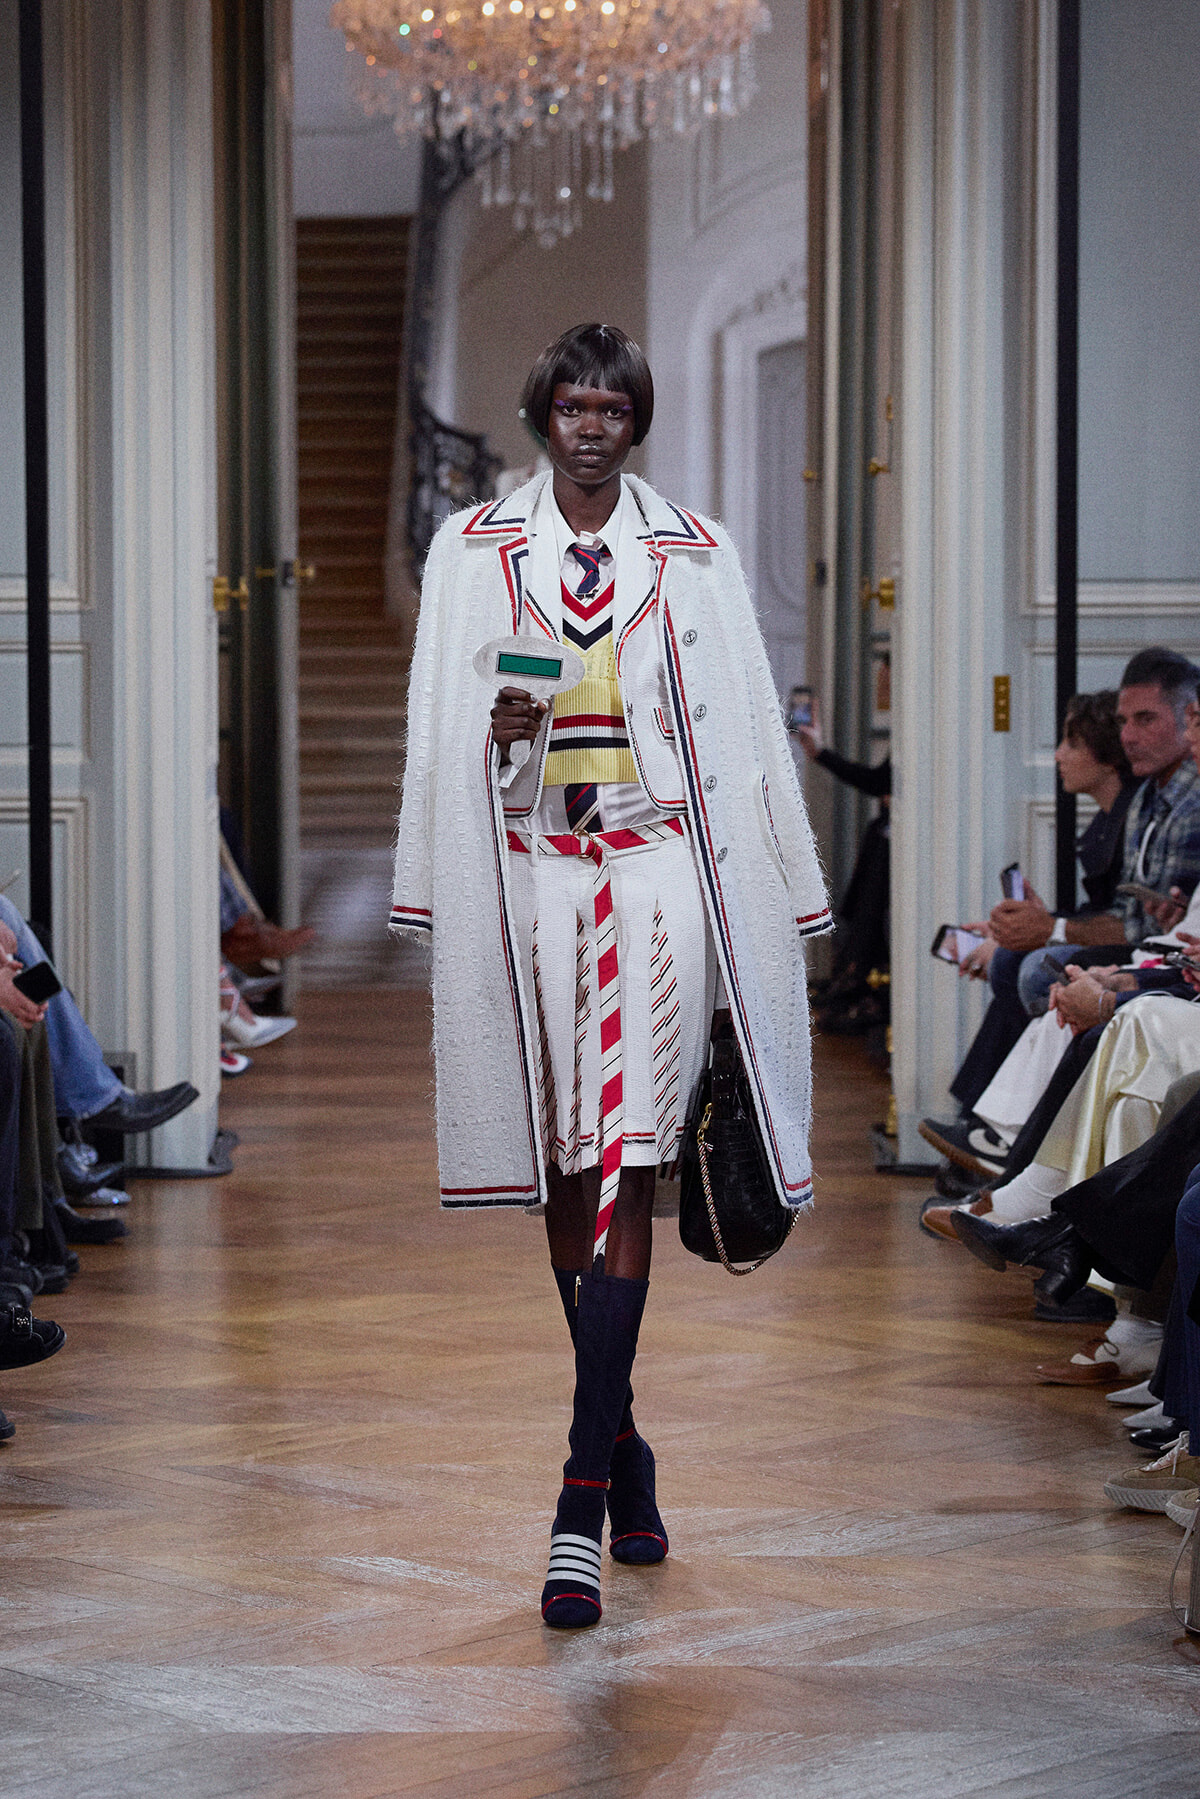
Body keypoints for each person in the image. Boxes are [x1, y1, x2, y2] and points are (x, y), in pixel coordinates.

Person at [391, 323, 830, 1630]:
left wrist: (777, 886)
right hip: (533, 882)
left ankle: (577, 1500)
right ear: (542, 415)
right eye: (571, 403)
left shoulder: (694, 552)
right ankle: (627, 1444)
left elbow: (745, 724)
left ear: (635, 420)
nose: (591, 424)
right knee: (568, 1169)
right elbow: (442, 732)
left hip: (655, 883)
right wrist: (503, 738)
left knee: (626, 1154)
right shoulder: (475, 552)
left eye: (612, 405)